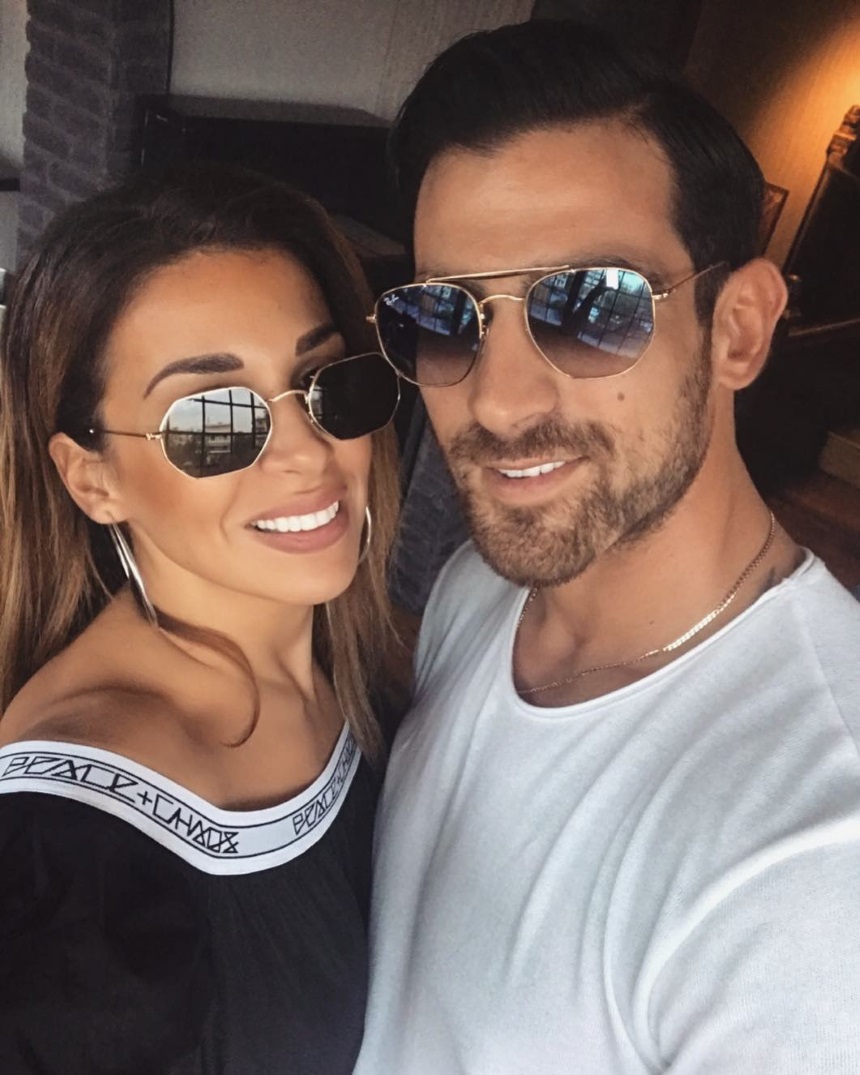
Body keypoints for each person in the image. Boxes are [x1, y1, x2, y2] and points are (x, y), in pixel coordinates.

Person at [356, 20, 860, 1074]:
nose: (497, 401)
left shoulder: (816, 866)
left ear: (738, 328)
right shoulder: (478, 592)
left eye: (589, 308)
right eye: (446, 315)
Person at [0, 164, 402, 1073]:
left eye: (323, 379)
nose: (307, 452)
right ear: (91, 478)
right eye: (215, 420)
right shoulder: (66, 860)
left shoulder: (371, 663)